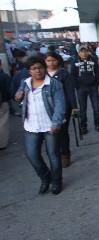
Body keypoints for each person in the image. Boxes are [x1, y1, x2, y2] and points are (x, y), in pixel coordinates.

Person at [15, 56, 66, 195]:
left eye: (40, 67)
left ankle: (56, 181)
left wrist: (56, 123)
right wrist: (18, 95)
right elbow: (18, 96)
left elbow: (60, 105)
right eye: (34, 68)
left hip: (50, 126)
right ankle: (45, 178)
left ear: (44, 68)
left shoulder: (54, 84)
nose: (38, 71)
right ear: (29, 71)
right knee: (32, 155)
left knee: (53, 155)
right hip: (31, 126)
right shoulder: (25, 83)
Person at [45, 52, 78, 168]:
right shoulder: (42, 74)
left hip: (63, 108)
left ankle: (65, 154)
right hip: (47, 108)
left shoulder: (64, 74)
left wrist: (74, 106)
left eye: (53, 60)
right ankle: (55, 153)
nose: (51, 63)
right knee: (51, 132)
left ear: (58, 61)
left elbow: (70, 91)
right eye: (48, 60)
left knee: (62, 131)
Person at [71, 46, 99, 134]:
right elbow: (72, 75)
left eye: (85, 51)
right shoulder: (75, 62)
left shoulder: (93, 60)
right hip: (81, 88)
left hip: (93, 87)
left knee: (96, 107)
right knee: (83, 108)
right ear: (78, 53)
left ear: (88, 52)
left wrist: (96, 83)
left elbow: (98, 73)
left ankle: (97, 124)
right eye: (81, 52)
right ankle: (83, 126)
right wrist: (77, 85)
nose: (83, 53)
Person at [0, 58, 11, 149]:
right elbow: (9, 90)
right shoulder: (4, 76)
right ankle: (2, 144)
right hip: (3, 101)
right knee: (3, 122)